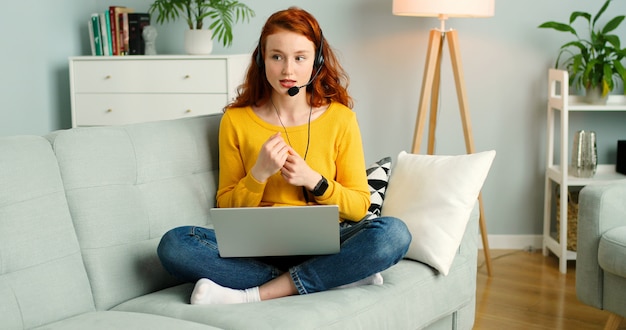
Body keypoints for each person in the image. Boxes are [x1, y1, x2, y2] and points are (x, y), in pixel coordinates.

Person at [157, 6, 411, 305]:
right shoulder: (236, 120)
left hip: (325, 244)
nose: (287, 70)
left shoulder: (340, 119)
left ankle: (256, 293)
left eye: (299, 58)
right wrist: (258, 175)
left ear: (315, 62)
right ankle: (333, 276)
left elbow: (358, 207)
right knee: (174, 245)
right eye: (276, 57)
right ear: (261, 60)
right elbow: (224, 207)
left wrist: (314, 181)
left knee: (393, 234)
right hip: (256, 248)